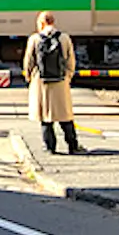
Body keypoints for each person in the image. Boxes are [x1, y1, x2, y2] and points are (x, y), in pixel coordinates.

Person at [23, 11, 85, 155]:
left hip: (41, 81)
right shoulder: (64, 38)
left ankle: (50, 147)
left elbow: (29, 61)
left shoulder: (34, 39)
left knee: (45, 117)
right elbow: (70, 60)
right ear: (53, 22)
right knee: (65, 116)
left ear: (41, 23)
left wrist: (29, 77)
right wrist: (68, 76)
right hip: (60, 81)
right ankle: (73, 146)